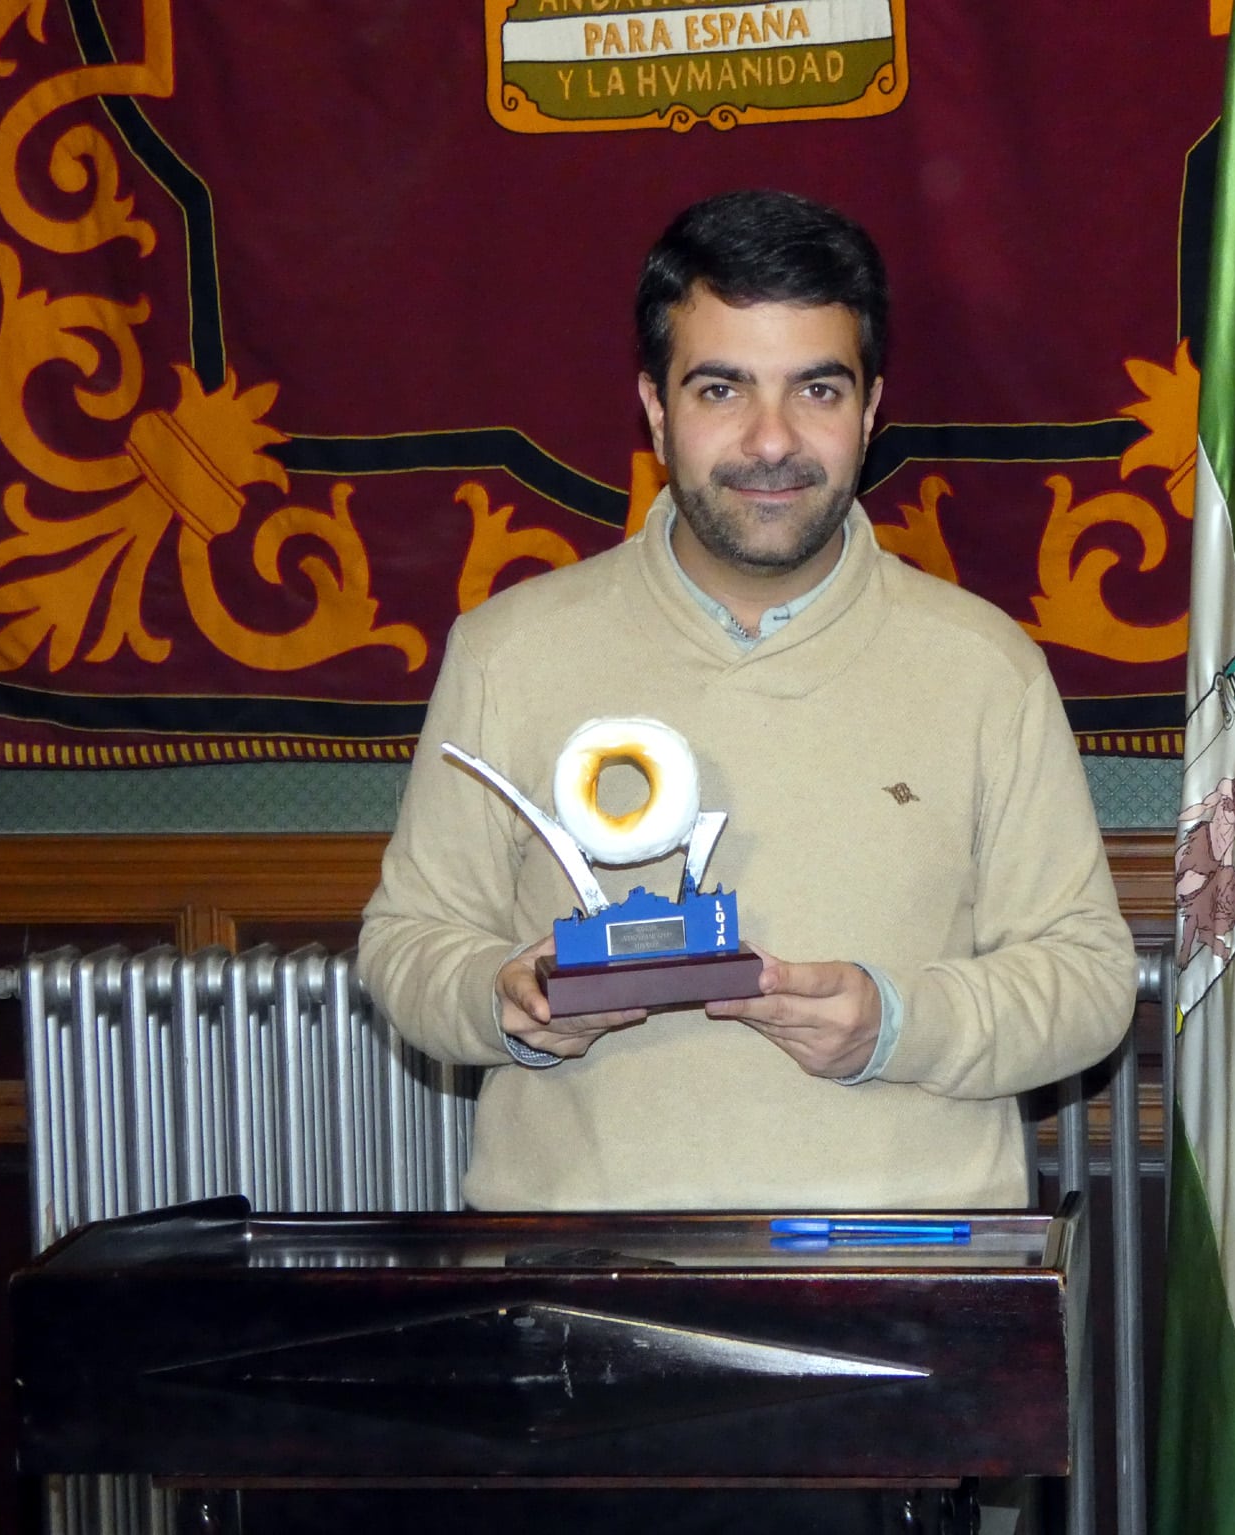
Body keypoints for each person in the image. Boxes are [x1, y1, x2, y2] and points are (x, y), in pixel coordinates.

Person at [359, 189, 1136, 1212]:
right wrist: (502, 1001)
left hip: (909, 1280)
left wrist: (896, 1024)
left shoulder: (984, 664)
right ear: (654, 405)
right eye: (722, 390)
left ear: (870, 408)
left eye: (815, 390)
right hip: (579, 1276)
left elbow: (1087, 979)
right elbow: (406, 941)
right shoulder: (509, 649)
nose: (771, 441)